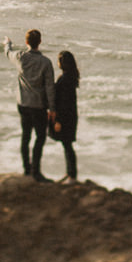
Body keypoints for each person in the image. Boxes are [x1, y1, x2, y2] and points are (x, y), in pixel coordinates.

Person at [4, 30, 55, 182]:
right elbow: (50, 88)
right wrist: (52, 109)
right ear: (39, 42)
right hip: (39, 106)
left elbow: (8, 53)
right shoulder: (46, 62)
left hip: (23, 104)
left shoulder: (20, 57)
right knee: (40, 138)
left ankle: (27, 169)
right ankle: (36, 171)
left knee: (25, 137)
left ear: (26, 42)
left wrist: (7, 43)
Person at [51, 50, 80, 183]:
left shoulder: (65, 79)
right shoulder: (70, 77)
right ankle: (70, 174)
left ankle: (72, 176)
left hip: (65, 117)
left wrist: (58, 120)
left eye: (58, 60)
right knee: (67, 145)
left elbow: (63, 103)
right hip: (71, 115)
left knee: (67, 146)